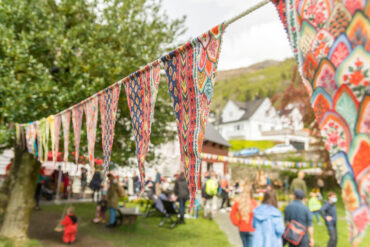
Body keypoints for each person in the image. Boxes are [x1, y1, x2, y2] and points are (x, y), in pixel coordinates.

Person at [230, 181, 258, 247]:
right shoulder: (254, 203)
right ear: (252, 193)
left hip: (242, 228)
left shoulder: (238, 202)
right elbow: (257, 216)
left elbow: (232, 213)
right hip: (251, 228)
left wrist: (236, 222)